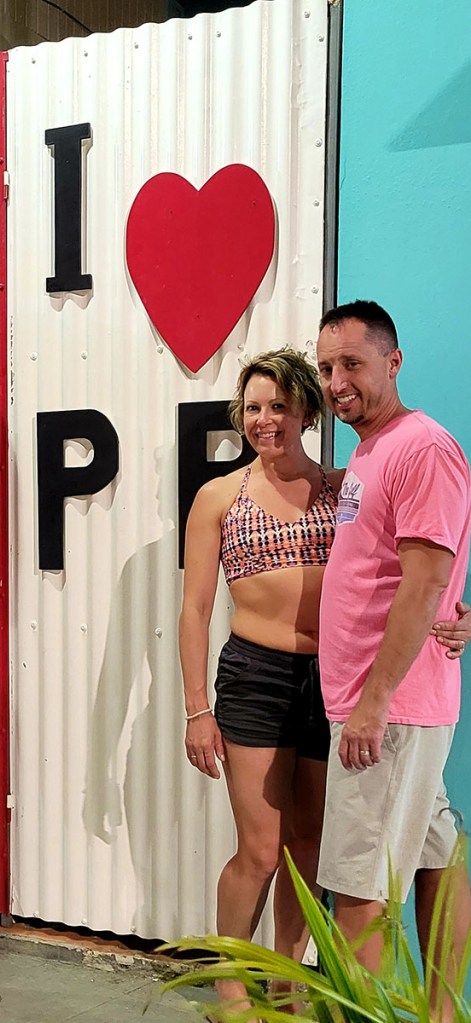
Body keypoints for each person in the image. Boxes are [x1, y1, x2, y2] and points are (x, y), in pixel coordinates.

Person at [179, 347, 469, 1012]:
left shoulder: (344, 488)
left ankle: (288, 979)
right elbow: (194, 609)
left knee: (309, 846)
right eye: (252, 407)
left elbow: (419, 563)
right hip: (255, 677)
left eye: (278, 404)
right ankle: (230, 979)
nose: (264, 419)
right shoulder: (219, 496)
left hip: (335, 679)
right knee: (257, 848)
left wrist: (458, 613)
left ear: (305, 409)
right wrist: (197, 708)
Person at [315, 300, 471, 1012]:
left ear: (392, 360)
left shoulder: (420, 446)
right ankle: (440, 1013)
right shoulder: (370, 449)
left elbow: (427, 578)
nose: (336, 380)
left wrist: (371, 703)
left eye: (350, 363)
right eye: (324, 367)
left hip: (386, 710)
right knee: (438, 851)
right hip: (395, 705)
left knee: (357, 892)